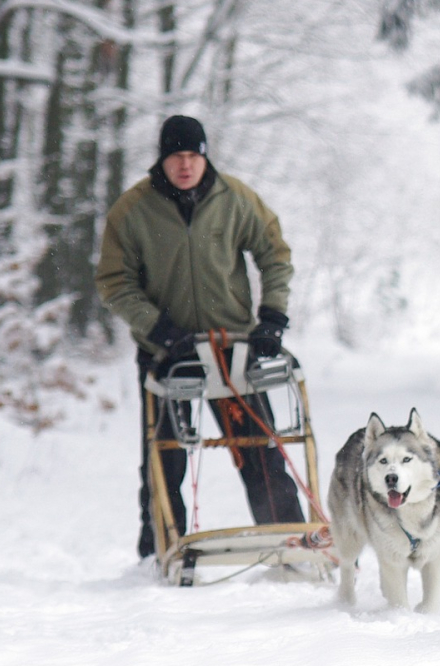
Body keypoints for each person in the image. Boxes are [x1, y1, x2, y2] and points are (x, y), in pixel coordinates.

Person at [97, 114, 304, 559]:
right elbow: (115, 281)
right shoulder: (133, 209)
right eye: (176, 156)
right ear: (163, 159)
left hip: (231, 349)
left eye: (193, 155)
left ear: (204, 156)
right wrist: (158, 328)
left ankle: (288, 538)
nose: (185, 165)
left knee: (257, 449)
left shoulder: (235, 199)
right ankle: (160, 550)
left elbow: (275, 254)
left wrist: (272, 316)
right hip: (167, 354)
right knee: (165, 455)